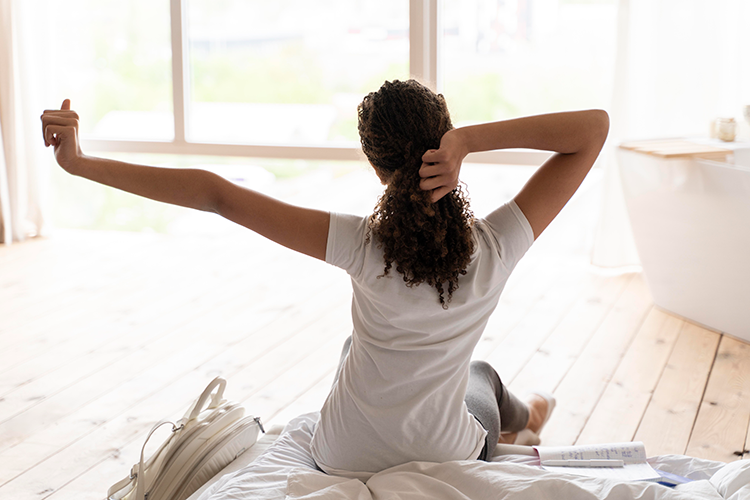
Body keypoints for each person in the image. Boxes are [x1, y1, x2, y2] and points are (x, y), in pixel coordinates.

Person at [41, 80, 609, 481]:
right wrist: (468, 141)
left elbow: (216, 194)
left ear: (375, 163)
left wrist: (79, 163)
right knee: (479, 373)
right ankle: (528, 417)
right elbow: (593, 129)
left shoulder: (361, 246)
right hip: (444, 452)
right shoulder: (495, 245)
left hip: (343, 452)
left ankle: (526, 416)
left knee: (354, 349)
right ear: (444, 141)